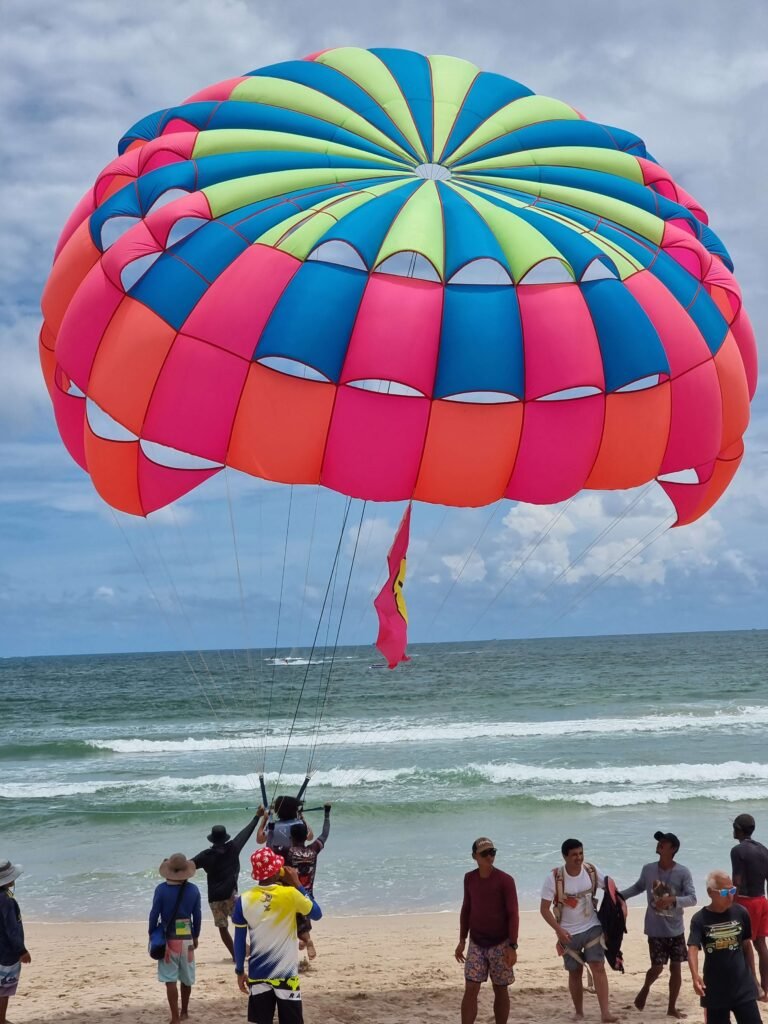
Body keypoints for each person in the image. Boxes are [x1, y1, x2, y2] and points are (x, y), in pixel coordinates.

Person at [234, 846, 322, 1023]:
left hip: (258, 973)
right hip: (286, 975)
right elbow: (317, 914)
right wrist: (297, 883)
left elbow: (238, 940)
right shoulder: (290, 894)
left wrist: (239, 971)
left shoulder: (243, 900)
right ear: (276, 872)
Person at [619, 830, 697, 1018]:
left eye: (664, 842)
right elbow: (638, 887)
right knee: (657, 967)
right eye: (659, 842)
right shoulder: (648, 869)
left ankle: (671, 1007)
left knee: (676, 968)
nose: (659, 844)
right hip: (655, 928)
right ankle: (645, 987)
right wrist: (619, 896)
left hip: (676, 928)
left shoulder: (683, 872)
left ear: (673, 849)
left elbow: (693, 898)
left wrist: (673, 899)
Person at [540, 838, 618, 1023]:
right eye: (574, 854)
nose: (579, 858)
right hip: (568, 934)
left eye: (581, 853)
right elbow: (544, 909)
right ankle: (579, 1012)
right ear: (565, 856)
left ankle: (605, 1013)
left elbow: (612, 888)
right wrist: (558, 930)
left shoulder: (591, 871)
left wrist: (616, 914)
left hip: (592, 928)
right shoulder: (554, 878)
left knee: (598, 967)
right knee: (574, 973)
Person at [455, 837, 519, 1024]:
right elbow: (466, 908)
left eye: (493, 852)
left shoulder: (506, 880)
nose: (490, 856)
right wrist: (462, 940)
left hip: (500, 943)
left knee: (500, 989)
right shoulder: (469, 878)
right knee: (471, 988)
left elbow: (513, 914)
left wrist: (513, 945)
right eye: (485, 853)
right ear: (474, 856)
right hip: (476, 942)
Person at [687, 869, 761, 1024]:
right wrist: (695, 977)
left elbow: (747, 946)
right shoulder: (699, 919)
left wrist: (753, 979)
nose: (730, 896)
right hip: (715, 990)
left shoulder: (741, 912)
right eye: (724, 892)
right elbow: (693, 948)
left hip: (743, 986)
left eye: (732, 890)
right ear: (710, 893)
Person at [193, 807, 263, 959]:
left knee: (222, 928)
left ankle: (235, 955)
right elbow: (246, 833)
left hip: (214, 898)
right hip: (231, 895)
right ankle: (247, 948)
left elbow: (189, 865)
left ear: (212, 839)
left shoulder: (205, 855)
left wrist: (172, 867)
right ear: (225, 838)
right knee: (242, 922)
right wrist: (257, 817)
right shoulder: (233, 847)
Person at [149, 853, 202, 1024]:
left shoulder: (161, 890)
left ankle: (175, 1017)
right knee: (186, 978)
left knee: (170, 978)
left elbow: (154, 914)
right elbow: (197, 916)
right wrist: (196, 936)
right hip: (187, 938)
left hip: (168, 939)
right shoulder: (193, 890)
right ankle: (185, 1011)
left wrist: (151, 933)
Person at [284, 804, 331, 959]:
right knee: (304, 919)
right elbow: (325, 834)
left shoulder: (287, 851)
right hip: (308, 893)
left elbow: (269, 843)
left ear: (291, 838)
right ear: (306, 837)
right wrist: (326, 814)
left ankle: (307, 940)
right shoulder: (313, 850)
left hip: (291, 893)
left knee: (292, 924)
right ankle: (305, 940)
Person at [731, 812, 768, 1000]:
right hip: (762, 899)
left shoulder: (737, 851)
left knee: (745, 943)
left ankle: (755, 987)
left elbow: (736, 881)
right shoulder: (763, 849)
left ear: (738, 829)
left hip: (746, 901)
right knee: (761, 944)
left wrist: (731, 904)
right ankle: (766, 988)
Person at [0, 861, 30, 1024]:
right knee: (4, 989)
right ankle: (1, 1020)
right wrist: (21, 950)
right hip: (6, 953)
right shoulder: (7, 901)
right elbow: (12, 929)